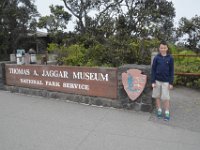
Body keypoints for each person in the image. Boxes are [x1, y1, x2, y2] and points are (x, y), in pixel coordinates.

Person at [151, 41, 174, 121]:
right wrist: (153, 81)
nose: (163, 49)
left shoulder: (170, 58)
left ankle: (167, 112)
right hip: (157, 80)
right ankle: (159, 110)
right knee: (157, 96)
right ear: (159, 48)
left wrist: (171, 83)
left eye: (164, 48)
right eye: (161, 48)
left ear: (167, 48)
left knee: (166, 97)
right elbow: (153, 70)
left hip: (166, 81)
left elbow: (171, 71)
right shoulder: (156, 58)